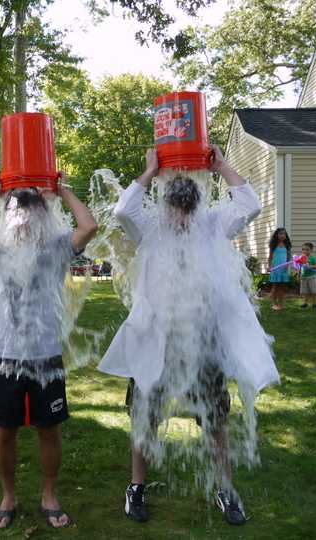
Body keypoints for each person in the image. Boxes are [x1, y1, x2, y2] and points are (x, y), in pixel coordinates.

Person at [99, 147, 278, 526]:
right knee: (143, 417)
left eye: (186, 211)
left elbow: (250, 206)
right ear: (165, 207)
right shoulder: (150, 228)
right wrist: (149, 170)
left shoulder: (212, 225)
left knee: (215, 421)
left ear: (195, 208)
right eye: (175, 211)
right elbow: (122, 211)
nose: (180, 219)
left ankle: (225, 489)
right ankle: (137, 487)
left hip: (204, 345)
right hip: (157, 343)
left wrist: (220, 166)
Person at [0, 174, 97, 530]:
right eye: (18, 213)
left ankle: (49, 495)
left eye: (32, 214)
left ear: (42, 217)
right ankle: (8, 496)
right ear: (10, 216)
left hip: (46, 355)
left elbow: (89, 225)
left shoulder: (57, 248)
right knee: (5, 431)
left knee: (49, 429)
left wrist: (61, 190)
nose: (24, 221)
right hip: (5, 356)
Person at [267, 228, 292, 311]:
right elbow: (270, 257)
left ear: (286, 236)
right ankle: (274, 303)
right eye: (280, 234)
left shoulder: (287, 245)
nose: (282, 236)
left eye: (284, 234)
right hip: (275, 269)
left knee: (282, 288)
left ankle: (281, 304)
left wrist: (288, 267)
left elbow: (289, 258)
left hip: (284, 269)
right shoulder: (273, 245)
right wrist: (269, 266)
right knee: (275, 287)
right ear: (277, 235)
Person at [298, 242, 316, 309]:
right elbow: (299, 267)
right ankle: (305, 303)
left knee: (314, 291)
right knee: (305, 291)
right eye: (303, 249)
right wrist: (298, 275)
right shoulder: (301, 259)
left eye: (307, 249)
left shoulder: (312, 258)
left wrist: (310, 266)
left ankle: (315, 303)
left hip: (311, 277)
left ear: (311, 250)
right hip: (304, 277)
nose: (305, 251)